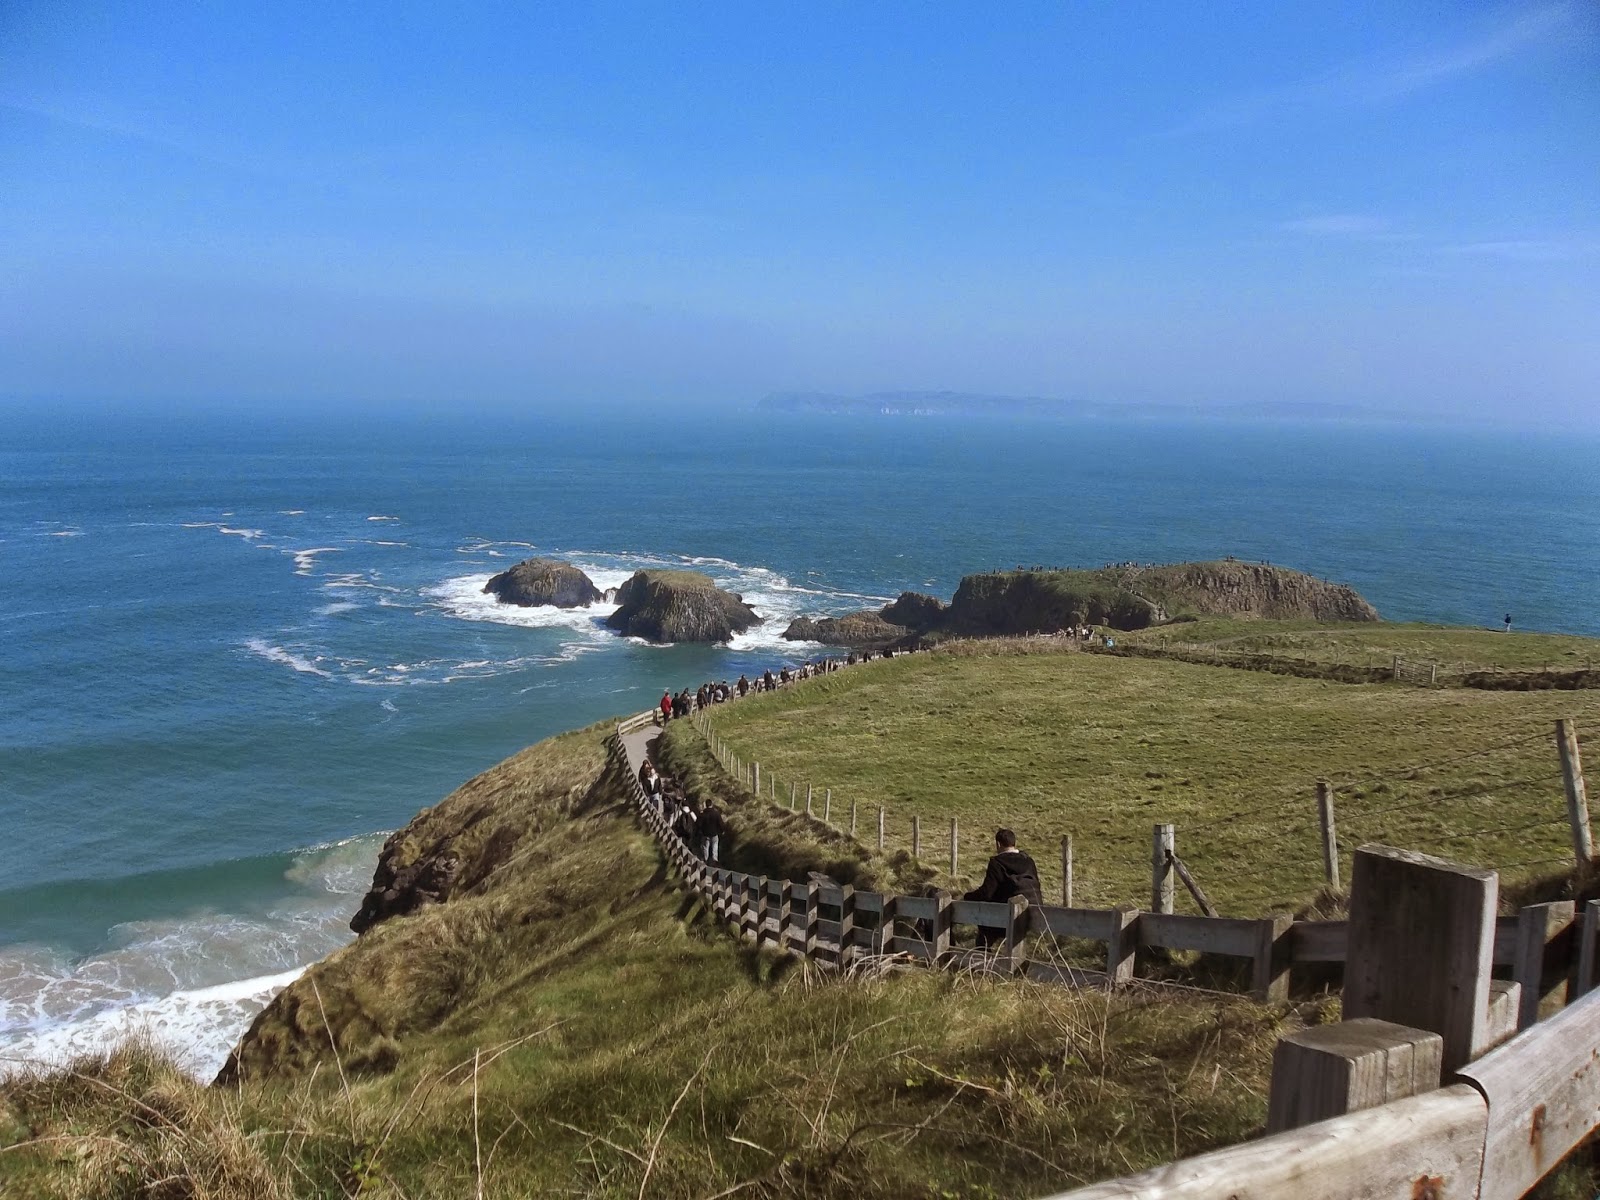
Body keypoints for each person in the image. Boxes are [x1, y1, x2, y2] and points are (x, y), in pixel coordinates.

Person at [963, 828, 1044, 949]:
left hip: (1009, 913)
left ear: (998, 844)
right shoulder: (1028, 861)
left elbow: (987, 893)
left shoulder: (997, 863)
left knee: (985, 930)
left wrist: (967, 897)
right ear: (1014, 843)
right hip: (1035, 911)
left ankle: (983, 962)